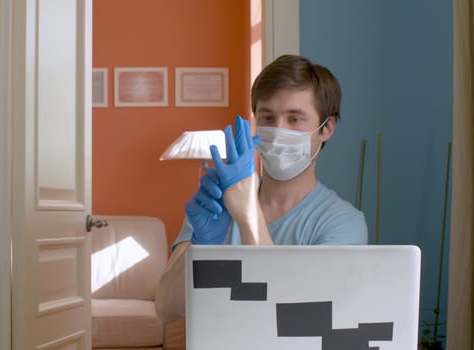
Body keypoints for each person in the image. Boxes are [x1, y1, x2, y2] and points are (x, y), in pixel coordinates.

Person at [155, 54, 368, 323]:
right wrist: (199, 248)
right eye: (267, 117)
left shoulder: (342, 224)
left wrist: (247, 216)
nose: (278, 130)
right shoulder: (217, 202)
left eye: (294, 119)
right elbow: (165, 309)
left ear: (327, 129)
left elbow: (297, 318)